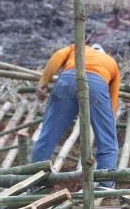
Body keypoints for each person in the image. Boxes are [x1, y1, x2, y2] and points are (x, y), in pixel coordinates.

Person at [32, 42, 120, 189]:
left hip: (67, 80)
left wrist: (43, 82)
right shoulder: (111, 62)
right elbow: (113, 103)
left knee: (47, 136)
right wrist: (107, 124)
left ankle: (35, 184)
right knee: (108, 142)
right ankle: (105, 187)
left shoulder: (78, 48)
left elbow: (58, 56)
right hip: (97, 84)